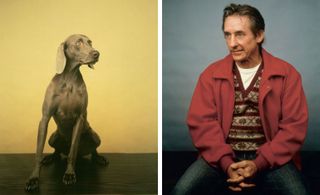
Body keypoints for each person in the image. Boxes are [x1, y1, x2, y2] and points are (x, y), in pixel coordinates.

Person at [171, 3, 310, 195]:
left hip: (271, 159)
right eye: (227, 34)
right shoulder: (210, 74)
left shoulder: (288, 74)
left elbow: (293, 128)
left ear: (259, 35)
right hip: (220, 157)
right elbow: (202, 124)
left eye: (240, 34)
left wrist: (258, 164)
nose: (231, 43)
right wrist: (227, 164)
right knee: (180, 191)